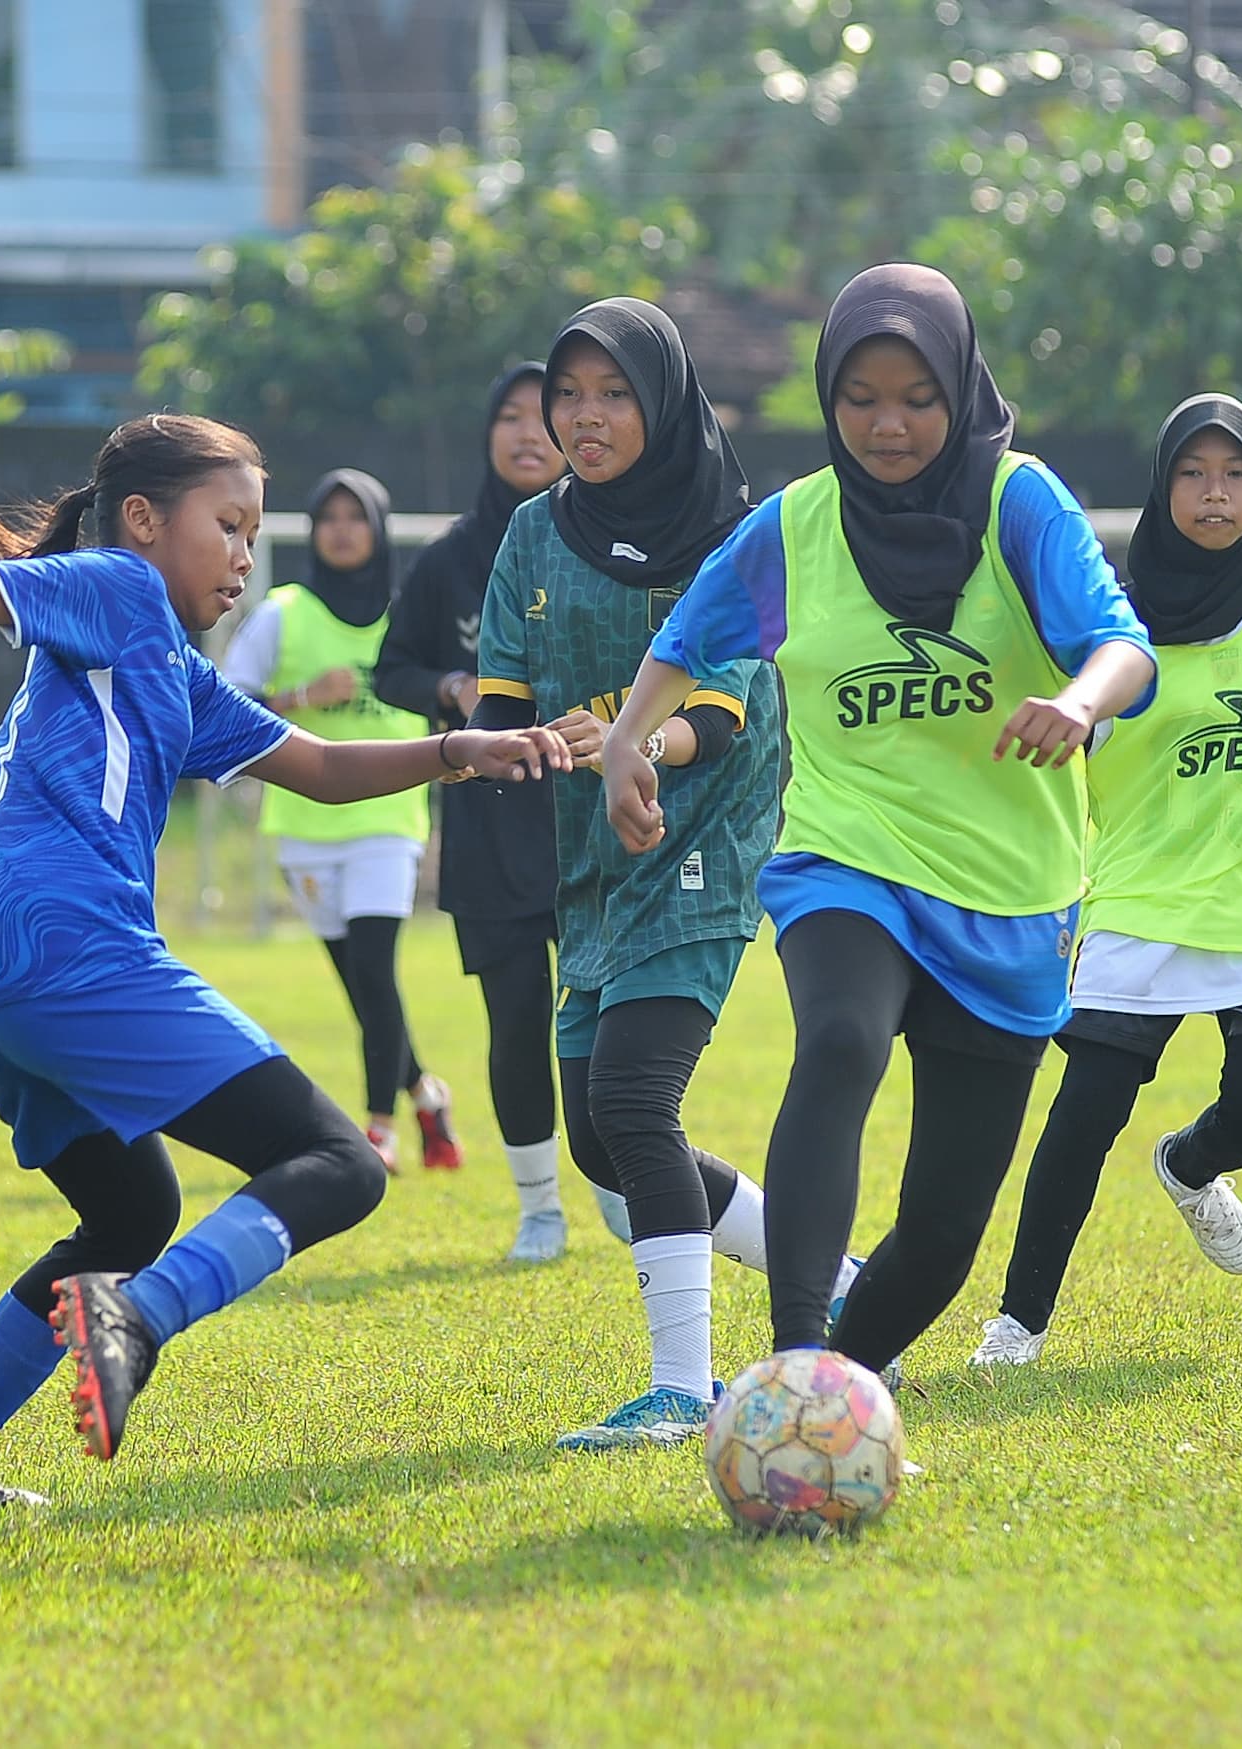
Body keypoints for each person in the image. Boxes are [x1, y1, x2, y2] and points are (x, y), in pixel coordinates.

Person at [0, 413, 568, 1507]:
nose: (242, 554)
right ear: (142, 521)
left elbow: (317, 765)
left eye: (250, 532)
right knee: (340, 1162)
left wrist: (459, 751)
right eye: (227, 525)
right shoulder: (119, 588)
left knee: (129, 1218)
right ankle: (138, 1317)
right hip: (68, 944)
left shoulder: (171, 670)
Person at [600, 264, 1156, 1383]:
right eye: (859, 398)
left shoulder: (1018, 502)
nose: (887, 424)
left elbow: (1123, 645)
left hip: (1010, 888)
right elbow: (692, 637)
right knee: (841, 1038)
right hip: (844, 855)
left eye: (915, 397)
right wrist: (624, 742)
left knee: (945, 1236)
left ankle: (835, 1382)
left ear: (959, 388)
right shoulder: (794, 529)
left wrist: (1078, 702)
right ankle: (792, 1358)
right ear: (825, 397)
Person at [469, 299, 823, 1451]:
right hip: (591, 859)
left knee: (633, 1102)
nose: (584, 416)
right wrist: (514, 746)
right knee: (594, 1140)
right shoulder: (531, 533)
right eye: (566, 395)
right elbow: (503, 699)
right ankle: (849, 1287)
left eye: (613, 393)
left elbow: (718, 708)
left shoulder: (735, 532)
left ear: (662, 401)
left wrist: (630, 743)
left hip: (705, 839)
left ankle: (684, 1390)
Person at [976, 394, 1242, 1369]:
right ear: (1161, 489)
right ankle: (1016, 1324)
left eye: (1233, 474)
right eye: (1192, 474)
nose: (1214, 493)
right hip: (1140, 899)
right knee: (1081, 1119)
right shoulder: (1107, 618)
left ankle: (1191, 1164)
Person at [378, 364, 631, 1260]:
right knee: (515, 1017)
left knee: (607, 1025)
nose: (531, 432)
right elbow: (393, 665)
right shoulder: (449, 557)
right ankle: (537, 1208)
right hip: (491, 821)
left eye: (549, 413)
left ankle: (613, 1183)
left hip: (593, 821)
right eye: (511, 416)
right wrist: (449, 684)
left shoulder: (611, 542)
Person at [223, 469, 458, 1174]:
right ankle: (426, 1092)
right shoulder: (283, 611)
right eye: (328, 517)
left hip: (388, 818)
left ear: (380, 528)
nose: (341, 529)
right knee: (360, 982)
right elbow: (226, 699)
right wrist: (298, 695)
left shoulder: (411, 615)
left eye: (356, 517)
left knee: (376, 970)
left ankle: (378, 1126)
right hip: (303, 821)